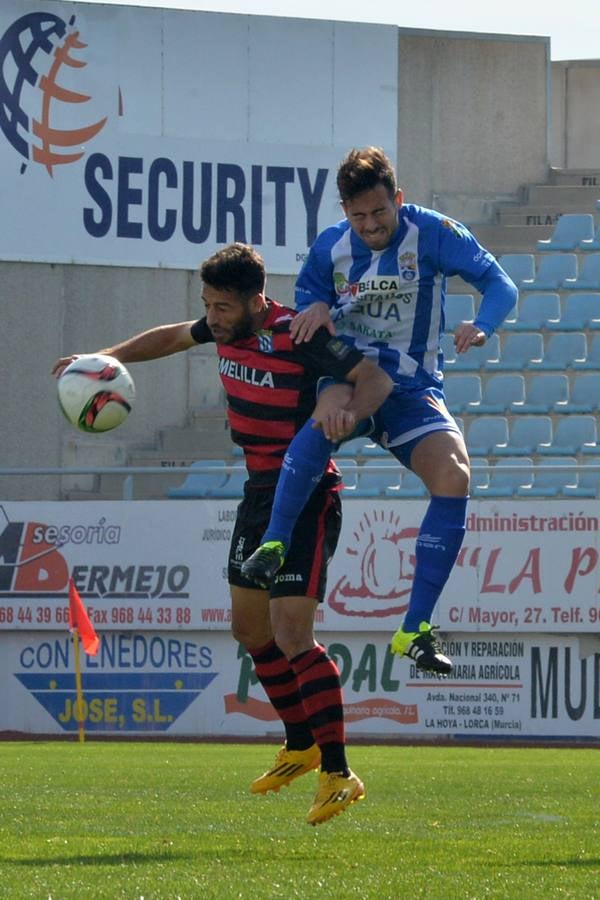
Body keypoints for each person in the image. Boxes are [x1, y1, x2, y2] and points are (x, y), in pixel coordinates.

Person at [52, 242, 392, 826]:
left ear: (257, 301)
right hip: (257, 494)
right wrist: (101, 358)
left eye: (223, 306)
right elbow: (167, 338)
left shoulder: (300, 334)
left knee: (292, 634)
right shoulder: (223, 329)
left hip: (305, 494)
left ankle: (339, 771)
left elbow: (373, 378)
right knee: (249, 628)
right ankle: (300, 744)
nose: (212, 317)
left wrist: (346, 415)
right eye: (207, 305)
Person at [241, 146, 518, 676]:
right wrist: (316, 310)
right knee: (326, 419)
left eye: (379, 213)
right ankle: (274, 542)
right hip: (351, 374)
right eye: (358, 216)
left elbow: (500, 284)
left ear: (399, 199)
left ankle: (413, 628)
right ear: (345, 211)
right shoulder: (328, 250)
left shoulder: (434, 232)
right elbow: (305, 321)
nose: (369, 225)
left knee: (455, 474)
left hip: (412, 387)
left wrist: (482, 324)